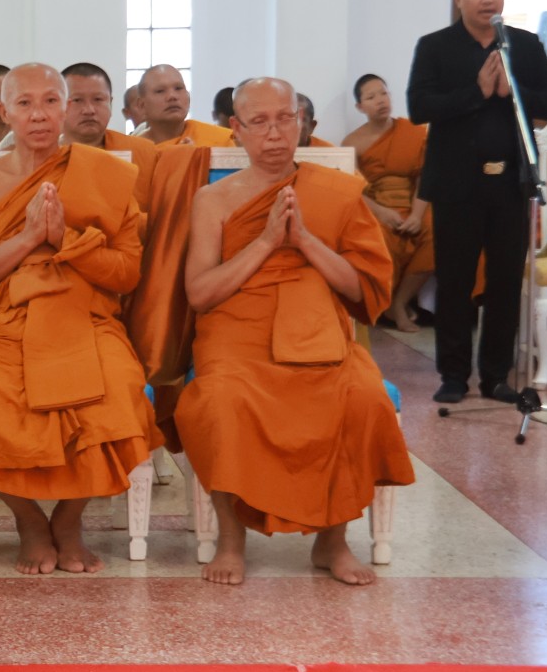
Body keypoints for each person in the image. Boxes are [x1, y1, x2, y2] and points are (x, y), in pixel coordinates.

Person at [177, 77, 415, 585]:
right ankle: (231, 538)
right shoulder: (213, 201)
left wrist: (305, 240)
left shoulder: (338, 194)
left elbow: (363, 286)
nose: (274, 133)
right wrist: (265, 242)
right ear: (236, 130)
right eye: (259, 122)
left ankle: (333, 542)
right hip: (236, 330)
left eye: (285, 118)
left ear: (301, 122)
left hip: (317, 327)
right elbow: (200, 293)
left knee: (362, 398)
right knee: (219, 400)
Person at [0, 64, 156, 575]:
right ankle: (29, 520)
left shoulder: (106, 174)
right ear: (4, 111)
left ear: (67, 107)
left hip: (82, 311)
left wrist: (66, 242)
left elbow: (125, 274)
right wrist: (29, 239)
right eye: (24, 103)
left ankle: (70, 521)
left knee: (119, 387)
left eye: (51, 102)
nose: (39, 114)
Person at [407, 0, 547, 404]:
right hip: (456, 184)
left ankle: (496, 375)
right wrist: (476, 92)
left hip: (511, 181)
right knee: (455, 281)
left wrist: (513, 91)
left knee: (504, 280)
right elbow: (420, 106)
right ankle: (453, 375)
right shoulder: (435, 46)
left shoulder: (525, 46)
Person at [342, 74, 432, 332]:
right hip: (377, 208)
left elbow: (424, 179)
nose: (380, 101)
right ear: (360, 107)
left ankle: (399, 303)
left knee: (437, 231)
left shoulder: (414, 132)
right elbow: (352, 189)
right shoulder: (352, 143)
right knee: (375, 238)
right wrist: (381, 212)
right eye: (371, 97)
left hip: (416, 203)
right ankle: (381, 305)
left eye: (384, 93)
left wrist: (416, 215)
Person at [62, 63, 158, 214]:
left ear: (110, 104)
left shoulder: (143, 152)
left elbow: (157, 217)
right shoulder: (44, 157)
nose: (89, 110)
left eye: (98, 99)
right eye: (77, 100)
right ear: (59, 105)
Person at [139, 64, 235, 149]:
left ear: (188, 97)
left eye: (178, 88)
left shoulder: (220, 141)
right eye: (160, 91)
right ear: (142, 105)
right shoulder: (133, 151)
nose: (172, 96)